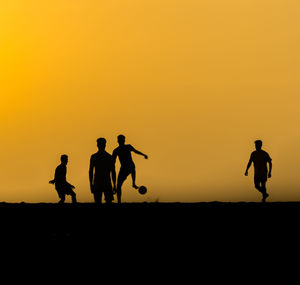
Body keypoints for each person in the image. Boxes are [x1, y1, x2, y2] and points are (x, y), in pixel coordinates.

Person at [112, 134, 148, 203]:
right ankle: (119, 201)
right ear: (118, 141)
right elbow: (112, 161)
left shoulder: (128, 147)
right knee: (118, 185)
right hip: (124, 168)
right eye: (120, 140)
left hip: (130, 166)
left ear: (124, 140)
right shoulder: (116, 150)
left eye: (122, 140)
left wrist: (143, 155)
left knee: (132, 168)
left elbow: (135, 151)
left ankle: (133, 183)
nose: (122, 141)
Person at [89, 138, 116, 204]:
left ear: (97, 145)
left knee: (98, 202)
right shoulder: (109, 157)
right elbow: (113, 172)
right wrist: (114, 185)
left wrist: (91, 184)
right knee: (106, 202)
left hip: (99, 182)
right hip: (105, 182)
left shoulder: (94, 156)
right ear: (105, 145)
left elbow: (91, 171)